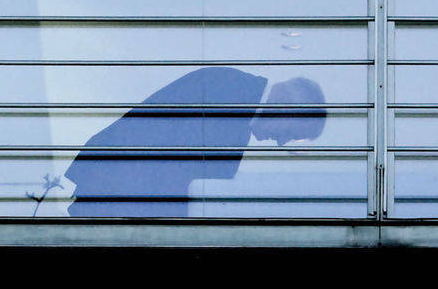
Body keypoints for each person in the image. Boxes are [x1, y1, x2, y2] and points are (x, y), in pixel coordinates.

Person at [64, 67, 326, 217]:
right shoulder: (231, 97)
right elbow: (177, 170)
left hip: (115, 191)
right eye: (289, 132)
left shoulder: (238, 96)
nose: (280, 143)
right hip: (116, 195)